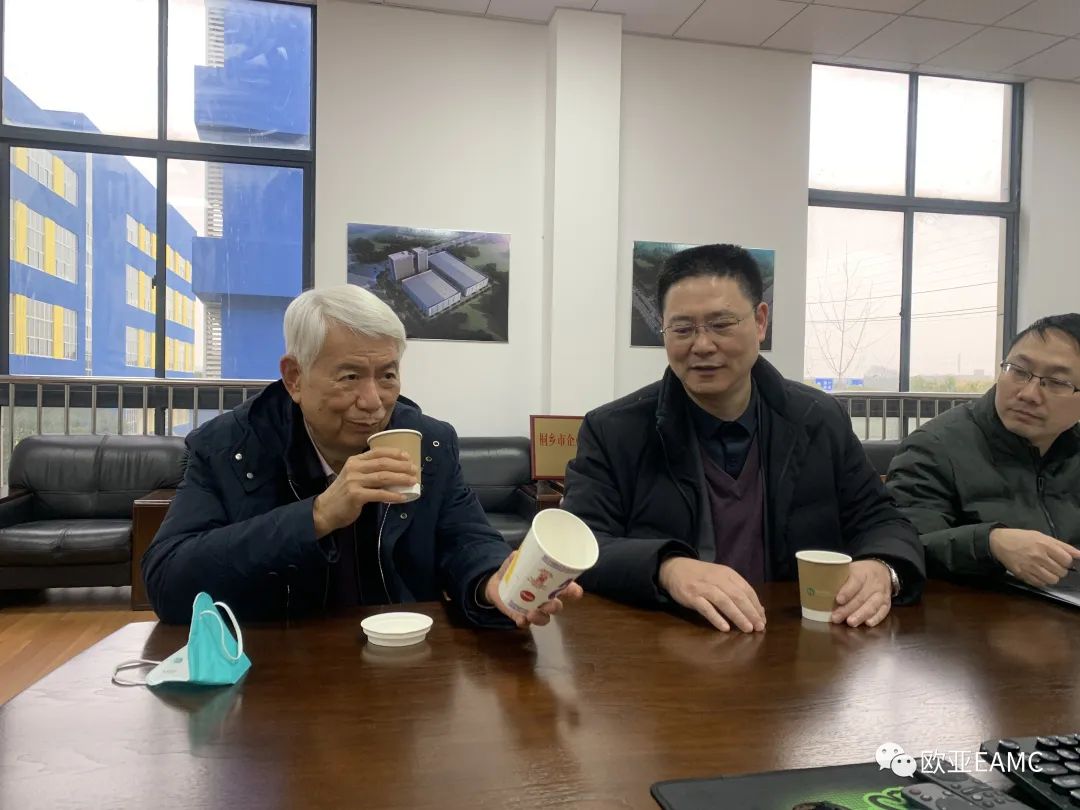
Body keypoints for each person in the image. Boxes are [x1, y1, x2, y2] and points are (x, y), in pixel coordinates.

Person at [143, 285, 580, 627]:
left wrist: (492, 581)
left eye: (387, 376)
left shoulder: (428, 443)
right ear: (295, 378)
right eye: (350, 377)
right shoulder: (229, 449)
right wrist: (316, 516)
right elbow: (168, 583)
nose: (373, 402)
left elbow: (465, 539)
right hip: (272, 669)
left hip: (405, 664)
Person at [562, 244, 924, 632]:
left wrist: (883, 567)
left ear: (760, 321)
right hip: (669, 643)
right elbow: (579, 544)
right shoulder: (614, 430)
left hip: (800, 643)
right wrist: (667, 567)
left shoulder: (818, 419)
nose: (702, 345)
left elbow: (883, 520)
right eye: (682, 329)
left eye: (721, 324)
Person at [887, 314, 1080, 586]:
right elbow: (902, 543)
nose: (1028, 394)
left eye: (1057, 382)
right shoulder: (934, 446)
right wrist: (991, 543)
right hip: (976, 607)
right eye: (1018, 371)